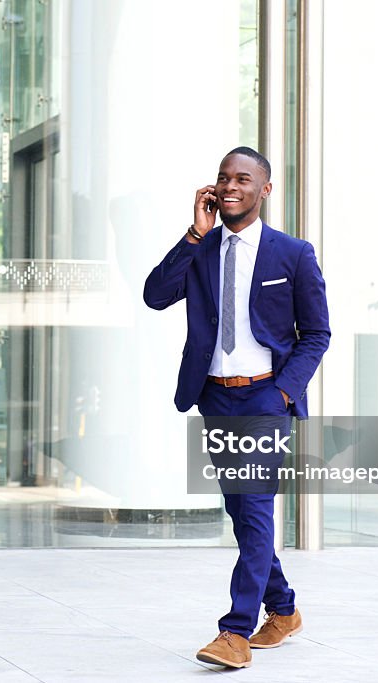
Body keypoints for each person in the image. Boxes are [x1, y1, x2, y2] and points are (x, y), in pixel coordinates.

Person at [143, 146, 330, 669]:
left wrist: (284, 393)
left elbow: (316, 334)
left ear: (263, 190)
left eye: (242, 179)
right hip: (216, 396)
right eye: (223, 178)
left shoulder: (292, 254)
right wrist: (194, 235)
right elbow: (155, 296)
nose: (230, 186)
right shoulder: (201, 249)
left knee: (254, 506)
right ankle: (285, 610)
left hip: (265, 396)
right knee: (242, 511)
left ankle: (235, 632)